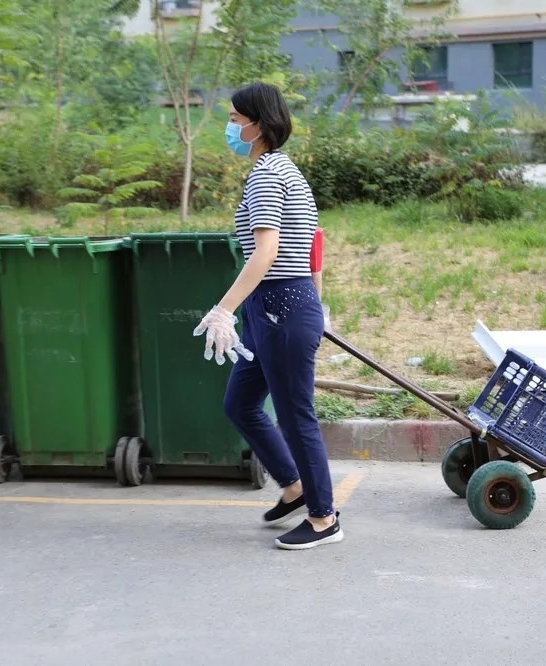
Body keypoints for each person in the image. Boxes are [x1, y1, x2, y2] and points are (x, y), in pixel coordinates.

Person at [192, 82, 342, 551]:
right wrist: (318, 304)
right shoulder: (280, 170)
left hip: (280, 305)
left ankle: (323, 519)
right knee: (241, 403)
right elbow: (312, 240)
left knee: (297, 417)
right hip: (277, 307)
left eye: (236, 119)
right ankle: (294, 487)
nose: (231, 127)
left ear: (259, 125)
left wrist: (223, 309)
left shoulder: (266, 175)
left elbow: (266, 253)